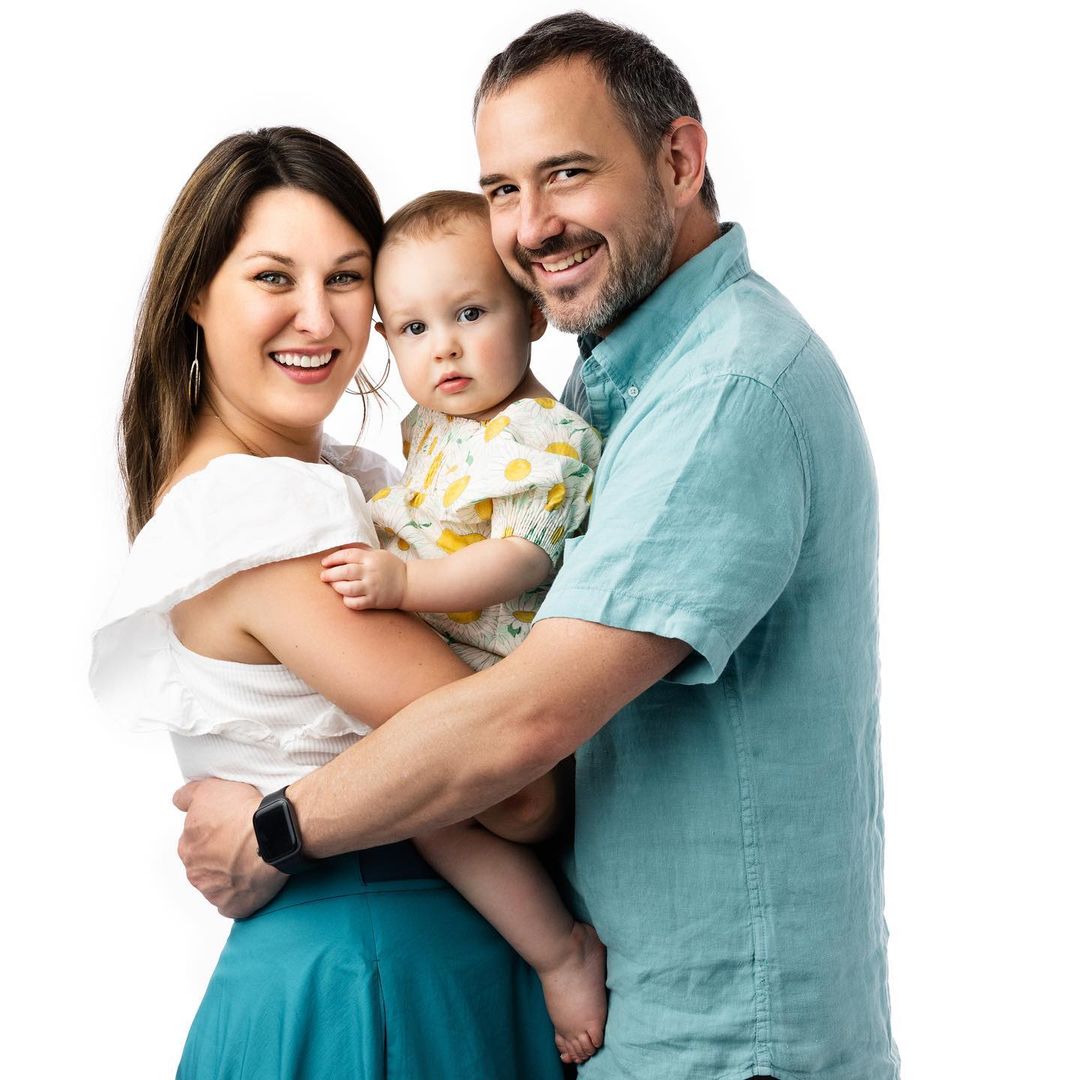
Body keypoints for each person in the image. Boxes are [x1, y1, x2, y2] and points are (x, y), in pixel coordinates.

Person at [175, 14, 900, 1080]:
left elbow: (524, 726)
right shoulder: (606, 391)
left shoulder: (724, 391)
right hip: (646, 1021)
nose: (532, 225)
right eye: (503, 189)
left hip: (723, 1044)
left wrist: (274, 829)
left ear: (680, 162)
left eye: (566, 173)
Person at [90, 126, 565, 1079]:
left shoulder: (347, 482)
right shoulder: (258, 511)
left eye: (346, 278)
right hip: (382, 970)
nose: (317, 318)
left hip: (389, 958)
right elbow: (517, 792)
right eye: (274, 277)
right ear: (195, 295)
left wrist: (275, 819)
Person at [321, 189, 608, 1064]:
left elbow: (520, 557)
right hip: (444, 670)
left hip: (505, 683)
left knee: (433, 819)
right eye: (413, 328)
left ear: (532, 312)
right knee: (412, 810)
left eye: (470, 314)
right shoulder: (436, 426)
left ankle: (560, 951)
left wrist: (408, 583)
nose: (442, 346)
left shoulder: (545, 437)